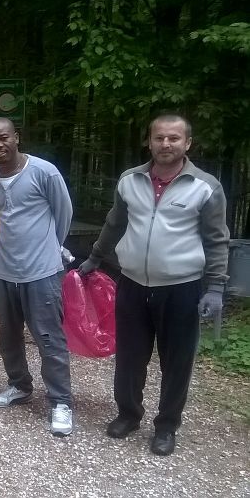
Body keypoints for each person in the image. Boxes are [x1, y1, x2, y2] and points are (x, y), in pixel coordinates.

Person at [79, 114, 228, 456]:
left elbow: (217, 240)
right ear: (149, 141)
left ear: (187, 143)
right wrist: (96, 258)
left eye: (174, 138)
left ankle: (166, 427)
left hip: (181, 287)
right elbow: (114, 223)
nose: (166, 144)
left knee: (176, 361)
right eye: (159, 138)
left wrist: (216, 286)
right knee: (130, 358)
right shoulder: (130, 180)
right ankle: (129, 414)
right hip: (132, 283)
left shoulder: (205, 187)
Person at [0, 117, 74, 436]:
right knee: (9, 335)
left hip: (41, 271)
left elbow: (63, 214)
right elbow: (2, 216)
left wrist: (51, 247)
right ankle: (19, 385)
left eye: (4, 138)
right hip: (4, 270)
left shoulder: (44, 172)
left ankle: (61, 401)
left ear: (16, 138)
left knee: (48, 337)